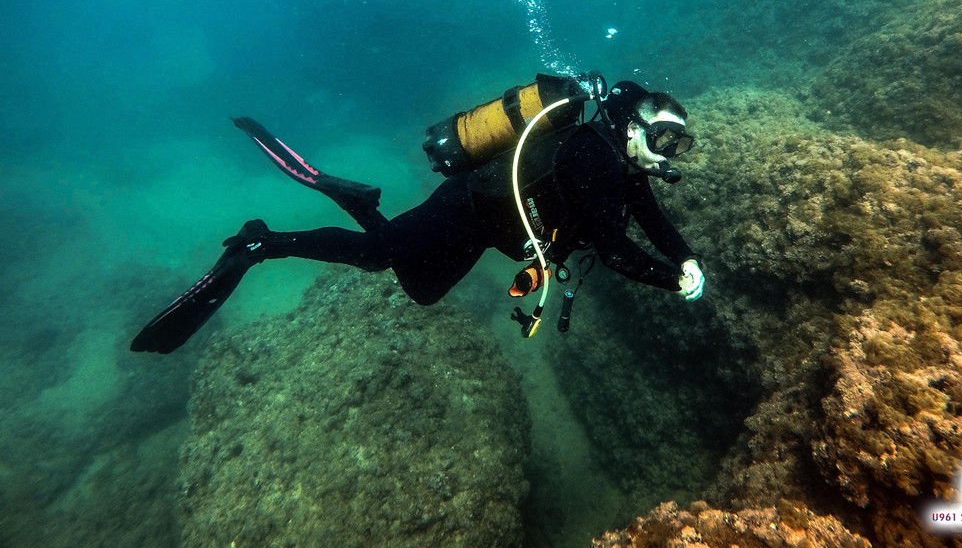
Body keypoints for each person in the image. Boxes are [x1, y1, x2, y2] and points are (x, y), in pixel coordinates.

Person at [131, 78, 704, 354]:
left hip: (491, 227)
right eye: (660, 139)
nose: (664, 155)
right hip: (470, 204)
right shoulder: (589, 154)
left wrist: (685, 257)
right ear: (633, 127)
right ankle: (262, 244)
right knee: (381, 255)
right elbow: (610, 247)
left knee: (422, 289)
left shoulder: (625, 169)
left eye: (675, 147)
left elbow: (652, 223)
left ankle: (358, 201)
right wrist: (670, 279)